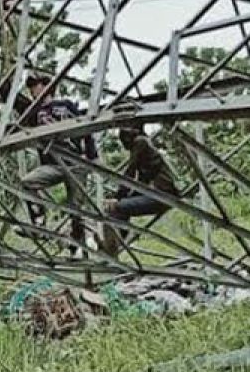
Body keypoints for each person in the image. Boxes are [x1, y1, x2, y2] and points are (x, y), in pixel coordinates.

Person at [19, 74, 97, 243]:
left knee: (76, 210)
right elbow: (12, 99)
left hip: (75, 162)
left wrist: (92, 156)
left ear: (47, 86)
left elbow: (86, 129)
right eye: (31, 87)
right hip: (53, 164)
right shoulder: (34, 113)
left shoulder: (66, 105)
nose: (32, 90)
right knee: (27, 182)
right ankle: (39, 223)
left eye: (35, 85)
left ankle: (77, 245)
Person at [100, 127, 178, 256]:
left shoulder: (140, 142)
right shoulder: (147, 158)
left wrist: (118, 198)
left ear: (127, 139)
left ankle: (112, 248)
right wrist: (122, 198)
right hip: (159, 195)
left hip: (162, 196)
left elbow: (129, 172)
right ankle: (117, 243)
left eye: (123, 143)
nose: (125, 148)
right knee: (118, 207)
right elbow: (139, 184)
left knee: (114, 208)